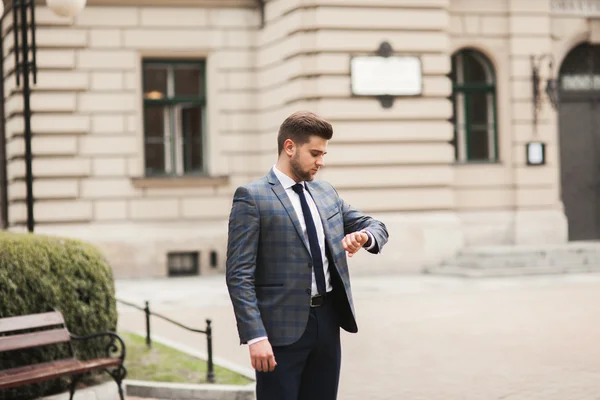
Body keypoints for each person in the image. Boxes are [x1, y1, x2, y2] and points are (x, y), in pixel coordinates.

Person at [225, 111, 389, 400]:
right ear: (290, 147)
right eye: (315, 153)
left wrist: (364, 237)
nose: (321, 162)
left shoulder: (325, 193)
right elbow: (239, 275)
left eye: (324, 154)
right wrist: (256, 336)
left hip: (327, 321)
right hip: (279, 330)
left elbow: (375, 225)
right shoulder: (252, 197)